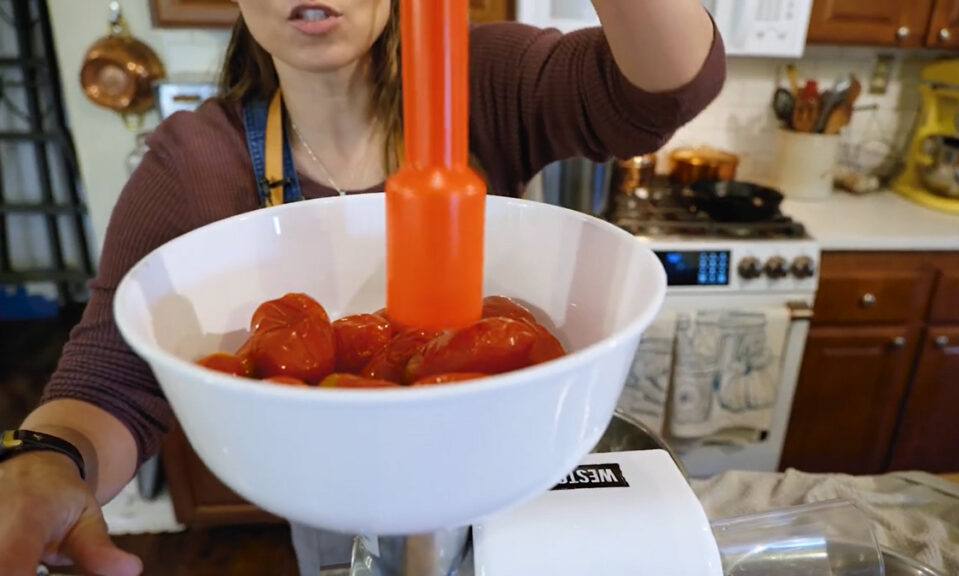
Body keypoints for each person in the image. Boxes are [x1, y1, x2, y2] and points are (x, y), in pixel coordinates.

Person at [0, 1, 725, 574]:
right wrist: (46, 461)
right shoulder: (194, 160)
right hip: (337, 507)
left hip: (519, 476)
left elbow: (667, 86)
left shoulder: (480, 77)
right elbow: (109, 384)